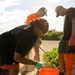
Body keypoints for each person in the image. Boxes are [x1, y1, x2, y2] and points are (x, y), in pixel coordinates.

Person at [24, 7, 47, 73]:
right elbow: (28, 27)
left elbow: (41, 30)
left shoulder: (41, 19)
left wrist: (40, 38)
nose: (43, 15)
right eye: (43, 13)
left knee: (37, 51)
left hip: (36, 37)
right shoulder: (31, 16)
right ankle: (26, 68)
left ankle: (38, 70)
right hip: (29, 36)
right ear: (40, 10)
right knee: (27, 53)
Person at [55, 5, 75, 75]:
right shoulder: (67, 15)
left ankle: (69, 71)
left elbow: (74, 21)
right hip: (65, 38)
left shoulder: (70, 10)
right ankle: (61, 71)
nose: (60, 15)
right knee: (61, 53)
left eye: (59, 13)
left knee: (69, 56)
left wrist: (72, 37)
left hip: (69, 38)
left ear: (60, 9)